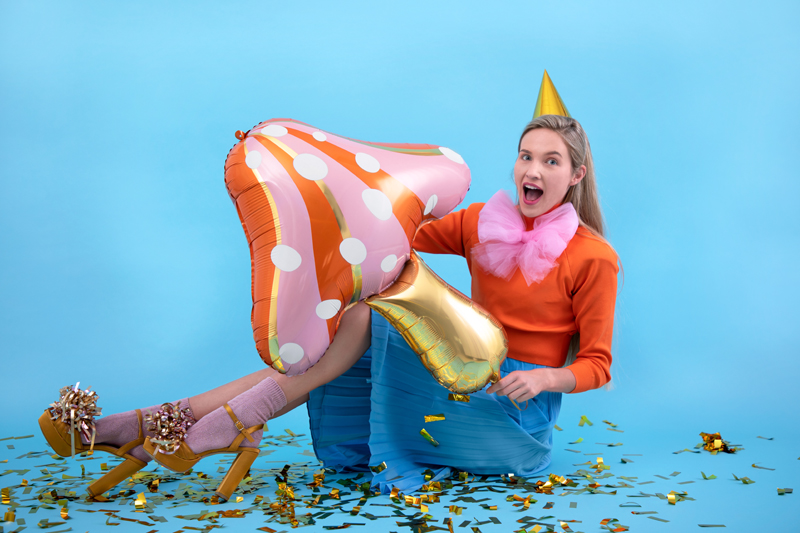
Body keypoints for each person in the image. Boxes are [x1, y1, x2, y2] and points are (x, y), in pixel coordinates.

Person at [40, 83, 618, 499]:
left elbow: (597, 364)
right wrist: (318, 196)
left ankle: (195, 423)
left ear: (576, 175)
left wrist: (543, 379)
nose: (532, 171)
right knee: (351, 319)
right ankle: (154, 422)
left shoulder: (595, 257)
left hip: (513, 419)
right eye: (525, 156)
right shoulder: (482, 222)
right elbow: (390, 235)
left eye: (551, 161)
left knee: (363, 321)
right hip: (460, 374)